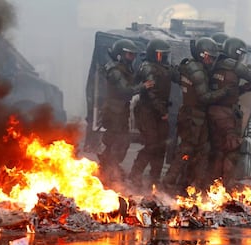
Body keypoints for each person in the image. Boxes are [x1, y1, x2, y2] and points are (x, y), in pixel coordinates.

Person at [162, 37, 233, 193]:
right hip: (193, 117)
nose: (211, 61)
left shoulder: (188, 66)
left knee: (201, 151)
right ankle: (169, 183)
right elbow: (204, 97)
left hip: (192, 115)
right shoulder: (198, 71)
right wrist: (225, 91)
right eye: (210, 57)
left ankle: (191, 184)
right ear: (202, 54)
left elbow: (176, 75)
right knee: (186, 150)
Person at [207, 37, 251, 187]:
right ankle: (227, 186)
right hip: (226, 115)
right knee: (231, 151)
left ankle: (213, 185)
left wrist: (243, 89)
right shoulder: (233, 65)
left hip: (212, 112)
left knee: (217, 150)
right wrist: (250, 66)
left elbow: (227, 90)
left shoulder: (215, 64)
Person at [98, 38, 154, 184]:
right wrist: (143, 86)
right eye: (129, 55)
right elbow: (125, 90)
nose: (132, 58)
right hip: (113, 112)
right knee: (116, 143)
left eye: (133, 55)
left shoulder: (123, 69)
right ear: (120, 54)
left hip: (120, 111)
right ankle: (107, 171)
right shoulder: (115, 70)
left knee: (120, 143)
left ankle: (109, 169)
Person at [128, 39, 180, 188]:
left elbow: (176, 76)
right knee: (151, 144)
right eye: (161, 55)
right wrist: (162, 112)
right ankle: (135, 174)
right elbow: (152, 94)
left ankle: (154, 177)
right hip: (147, 111)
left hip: (159, 111)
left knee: (162, 145)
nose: (164, 58)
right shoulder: (148, 68)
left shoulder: (163, 68)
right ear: (155, 55)